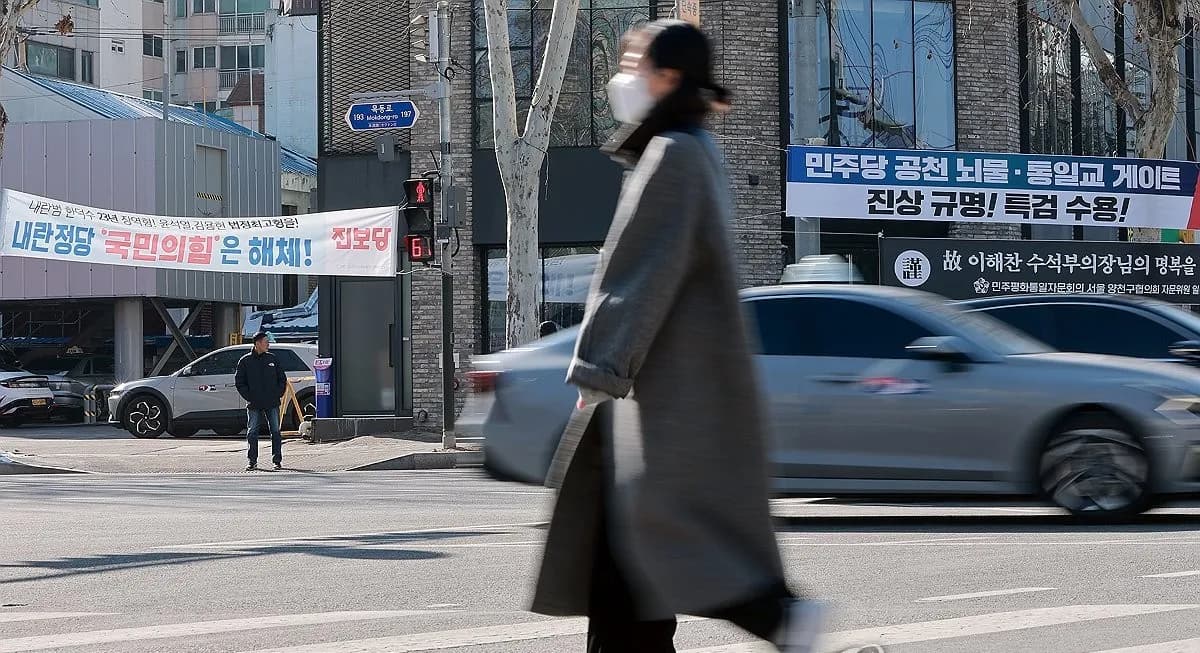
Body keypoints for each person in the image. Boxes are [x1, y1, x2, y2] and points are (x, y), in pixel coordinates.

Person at [530, 20, 852, 653]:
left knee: (657, 546)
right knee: (627, 572)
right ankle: (778, 617)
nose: (622, 78)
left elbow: (639, 277)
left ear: (668, 77)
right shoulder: (694, 149)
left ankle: (781, 619)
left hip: (652, 394)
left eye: (633, 63)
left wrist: (597, 372)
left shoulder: (673, 155)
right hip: (658, 391)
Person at [235, 331, 287, 471]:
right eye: (265, 342)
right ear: (257, 344)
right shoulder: (245, 361)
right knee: (252, 432)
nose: (268, 344)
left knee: (275, 431)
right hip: (254, 403)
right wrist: (250, 396)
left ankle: (277, 460)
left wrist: (278, 393)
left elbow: (282, 379)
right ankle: (252, 461)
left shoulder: (273, 359)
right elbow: (240, 382)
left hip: (272, 401)